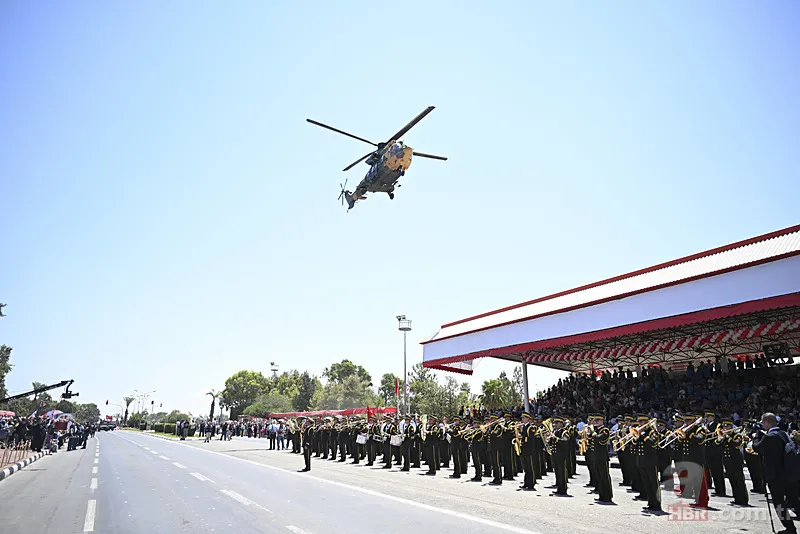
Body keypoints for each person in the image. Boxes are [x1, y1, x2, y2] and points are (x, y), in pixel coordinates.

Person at [753, 412, 800, 533]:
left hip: (776, 475)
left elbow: (757, 448)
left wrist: (756, 436)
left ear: (767, 423)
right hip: (789, 472)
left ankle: (790, 528)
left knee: (779, 503)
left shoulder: (769, 437)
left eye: (763, 423)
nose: (763, 425)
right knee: (793, 499)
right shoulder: (783, 433)